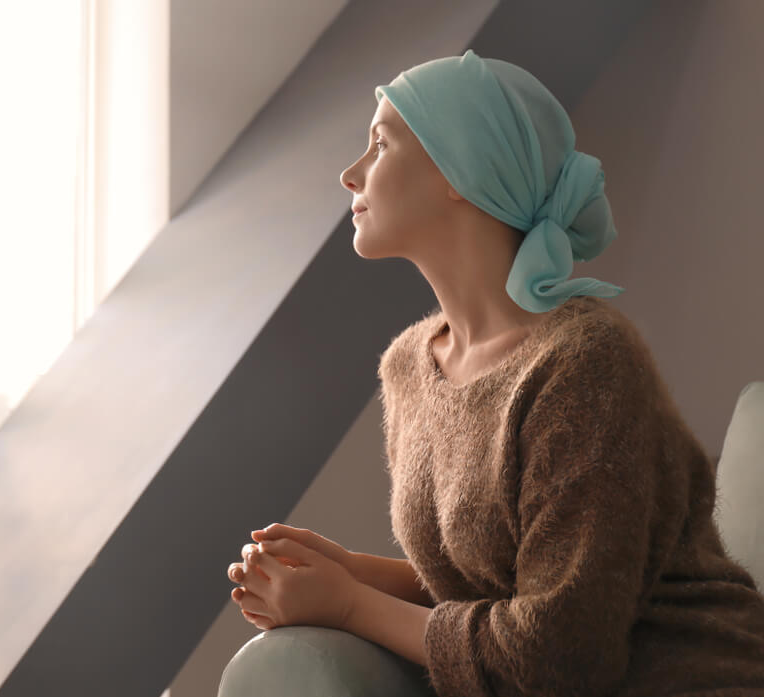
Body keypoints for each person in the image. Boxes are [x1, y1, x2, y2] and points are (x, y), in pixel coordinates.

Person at [226, 49, 764, 696]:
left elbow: (561, 651)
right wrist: (354, 570)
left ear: (460, 171)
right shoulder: (409, 365)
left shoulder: (585, 367)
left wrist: (348, 603)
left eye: (379, 144)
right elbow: (502, 579)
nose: (350, 173)